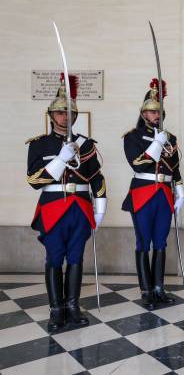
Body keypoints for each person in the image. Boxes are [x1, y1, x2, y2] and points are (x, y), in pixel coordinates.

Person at [26, 74, 106, 332]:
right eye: (59, 113)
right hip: (53, 207)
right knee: (54, 258)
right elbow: (34, 180)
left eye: (68, 112)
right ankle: (56, 309)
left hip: (81, 207)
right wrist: (61, 158)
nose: (64, 117)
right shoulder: (40, 144)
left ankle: (72, 305)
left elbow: (96, 177)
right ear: (51, 116)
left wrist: (100, 205)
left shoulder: (87, 144)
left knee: (75, 257)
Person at [122, 79, 184, 310]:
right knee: (143, 242)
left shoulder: (171, 138)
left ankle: (159, 287)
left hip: (164, 194)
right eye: (151, 111)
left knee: (160, 242)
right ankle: (146, 290)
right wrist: (156, 145)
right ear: (143, 113)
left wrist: (179, 187)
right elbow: (137, 164)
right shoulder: (132, 137)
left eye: (158, 111)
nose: (156, 114)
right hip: (143, 193)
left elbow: (175, 167)